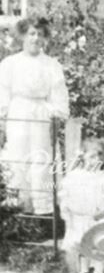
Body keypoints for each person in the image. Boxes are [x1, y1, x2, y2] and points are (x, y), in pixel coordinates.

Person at [0, 17, 69, 214]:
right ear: (23, 36)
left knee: (41, 157)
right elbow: (2, 91)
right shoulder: (10, 63)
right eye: (31, 33)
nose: (35, 38)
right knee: (16, 155)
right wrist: (2, 118)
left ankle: (42, 209)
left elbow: (58, 92)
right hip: (18, 111)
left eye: (40, 34)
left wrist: (57, 114)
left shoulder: (51, 64)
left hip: (41, 112)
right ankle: (16, 207)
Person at [59, 137, 104, 273]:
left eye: (100, 155)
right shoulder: (75, 176)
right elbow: (66, 193)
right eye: (92, 156)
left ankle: (98, 272)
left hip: (96, 217)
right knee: (81, 243)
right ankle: (84, 270)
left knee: (97, 244)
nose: (97, 159)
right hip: (80, 216)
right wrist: (67, 208)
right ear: (83, 157)